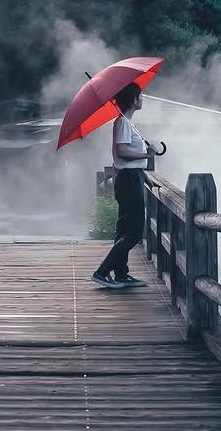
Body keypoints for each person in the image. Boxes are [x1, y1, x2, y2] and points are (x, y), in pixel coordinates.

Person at [91, 82, 163, 288]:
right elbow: (121, 152)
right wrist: (146, 155)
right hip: (129, 180)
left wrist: (145, 176)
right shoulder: (122, 123)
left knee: (124, 230)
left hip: (133, 177)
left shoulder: (127, 123)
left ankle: (121, 274)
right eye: (139, 96)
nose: (142, 99)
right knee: (133, 233)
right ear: (133, 100)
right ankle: (102, 272)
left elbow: (126, 156)